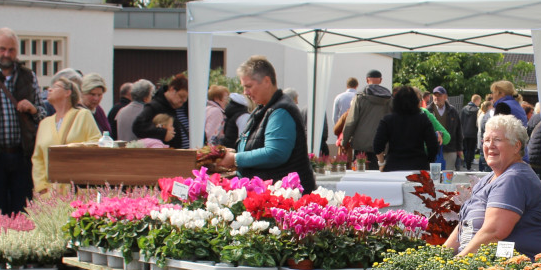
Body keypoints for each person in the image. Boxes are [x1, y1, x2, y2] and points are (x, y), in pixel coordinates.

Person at [444, 113, 541, 258]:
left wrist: (455, 265)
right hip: (480, 262)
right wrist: (440, 258)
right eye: (487, 140)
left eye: (497, 140)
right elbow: (464, 225)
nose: (490, 145)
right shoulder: (490, 178)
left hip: (513, 269)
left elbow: (493, 232)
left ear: (516, 146)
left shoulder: (514, 178)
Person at [212, 56, 315, 192]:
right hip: (272, 191)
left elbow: (275, 153)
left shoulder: (281, 110)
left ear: (266, 81)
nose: (245, 92)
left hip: (284, 194)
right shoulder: (263, 108)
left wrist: (235, 158)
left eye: (249, 86)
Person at [0, 27, 48, 218]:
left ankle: (21, 248)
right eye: (2, 49)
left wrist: (33, 109)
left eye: (11, 50)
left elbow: (43, 116)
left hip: (22, 155)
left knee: (23, 211)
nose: (6, 54)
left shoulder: (28, 76)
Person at [31, 76, 102, 193]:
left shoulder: (83, 115)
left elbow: (96, 144)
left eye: (55, 87)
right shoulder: (44, 123)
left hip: (77, 190)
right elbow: (38, 158)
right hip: (51, 193)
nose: (49, 89)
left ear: (68, 92)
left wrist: (73, 148)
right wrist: (41, 187)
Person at [371, 85, 439, 173]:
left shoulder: (387, 120)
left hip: (393, 166)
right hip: (418, 166)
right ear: (415, 102)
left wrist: (381, 162)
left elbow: (377, 145)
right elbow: (433, 145)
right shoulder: (423, 119)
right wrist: (429, 160)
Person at [338, 69, 391, 169]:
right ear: (380, 80)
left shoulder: (360, 97)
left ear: (367, 80)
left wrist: (344, 142)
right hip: (381, 144)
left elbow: (351, 121)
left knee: (360, 173)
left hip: (361, 144)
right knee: (378, 175)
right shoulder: (389, 99)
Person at [133, 74, 188, 147]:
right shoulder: (154, 107)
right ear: (172, 89)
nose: (183, 100)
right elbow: (138, 126)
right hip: (170, 155)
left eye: (186, 98)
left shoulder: (187, 107)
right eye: (181, 96)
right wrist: (163, 133)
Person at [430, 86, 461, 170]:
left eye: (439, 95)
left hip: (450, 148)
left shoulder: (452, 111)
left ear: (445, 97)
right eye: (435, 95)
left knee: (447, 176)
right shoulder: (428, 111)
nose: (437, 97)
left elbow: (458, 131)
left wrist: (459, 149)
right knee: (433, 176)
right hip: (433, 149)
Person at [459, 94, 480, 170]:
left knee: (465, 149)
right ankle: (468, 165)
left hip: (464, 132)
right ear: (476, 100)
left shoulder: (464, 109)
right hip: (473, 133)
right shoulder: (477, 110)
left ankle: (465, 163)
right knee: (471, 150)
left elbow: (460, 120)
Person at [476, 100, 494, 172]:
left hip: (481, 135)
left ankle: (481, 169)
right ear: (489, 106)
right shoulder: (486, 116)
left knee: (482, 155)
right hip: (483, 136)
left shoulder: (481, 114)